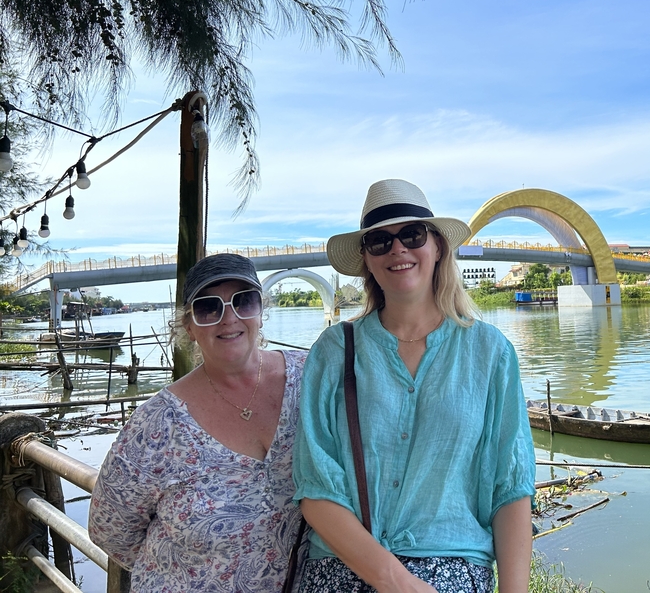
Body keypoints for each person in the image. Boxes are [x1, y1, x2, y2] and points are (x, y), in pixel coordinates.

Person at [294, 179, 536, 593]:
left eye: (412, 235)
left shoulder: (490, 351)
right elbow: (316, 486)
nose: (397, 249)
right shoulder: (334, 350)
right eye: (379, 241)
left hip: (454, 565)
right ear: (367, 259)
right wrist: (397, 582)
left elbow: (510, 486)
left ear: (438, 247)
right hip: (344, 566)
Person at [89, 253, 307, 592]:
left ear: (260, 311)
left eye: (243, 301)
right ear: (188, 326)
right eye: (208, 307)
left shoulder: (311, 377)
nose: (229, 318)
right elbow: (110, 530)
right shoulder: (155, 424)